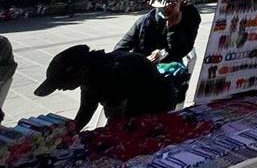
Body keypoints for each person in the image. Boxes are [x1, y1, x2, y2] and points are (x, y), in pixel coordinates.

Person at [33, 44, 175, 127]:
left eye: (61, 84)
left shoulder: (117, 71)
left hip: (156, 105)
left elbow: (118, 117)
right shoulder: (90, 74)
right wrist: (70, 133)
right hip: (132, 107)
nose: (61, 89)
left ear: (79, 72)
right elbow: (86, 110)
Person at [115, 0, 201, 65]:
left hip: (169, 66)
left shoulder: (190, 17)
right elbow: (120, 49)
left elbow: (180, 51)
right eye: (163, 6)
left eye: (172, 5)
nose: (167, 8)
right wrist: (141, 60)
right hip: (142, 66)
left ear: (180, 2)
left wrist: (172, 28)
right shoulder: (145, 21)